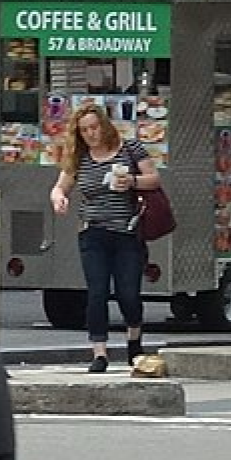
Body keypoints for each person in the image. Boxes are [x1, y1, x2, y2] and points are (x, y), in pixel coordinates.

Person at [49, 100, 161, 374]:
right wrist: (59, 198)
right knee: (97, 292)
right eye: (84, 130)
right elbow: (60, 187)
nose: (90, 134)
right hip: (93, 232)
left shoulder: (130, 149)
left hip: (126, 231)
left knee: (128, 293)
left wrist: (132, 182)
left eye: (94, 128)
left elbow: (154, 179)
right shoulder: (79, 157)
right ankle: (99, 352)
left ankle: (134, 339)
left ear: (104, 126)